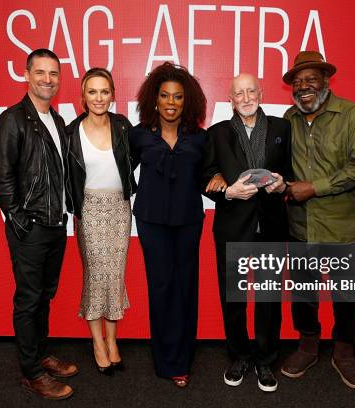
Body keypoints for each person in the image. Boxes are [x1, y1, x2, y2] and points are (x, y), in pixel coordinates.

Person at [280, 51, 355, 389]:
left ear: (325, 82)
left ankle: (345, 350)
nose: (304, 87)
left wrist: (314, 188)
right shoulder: (288, 119)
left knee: (346, 294)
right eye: (297, 81)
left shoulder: (350, 114)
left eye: (311, 79)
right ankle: (307, 346)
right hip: (301, 225)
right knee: (304, 291)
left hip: (344, 224)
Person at [0, 48, 77, 400]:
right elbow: (1, 176)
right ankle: (31, 373)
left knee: (45, 295)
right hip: (30, 228)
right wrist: (19, 218)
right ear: (26, 75)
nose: (47, 79)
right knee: (28, 300)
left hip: (56, 225)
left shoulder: (56, 121)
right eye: (40, 72)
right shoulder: (12, 120)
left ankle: (41, 355)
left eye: (53, 73)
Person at [129, 62, 221, 388]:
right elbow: (121, 171)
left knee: (185, 287)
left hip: (187, 221)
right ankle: (165, 361)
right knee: (161, 288)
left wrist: (218, 178)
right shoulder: (138, 134)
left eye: (177, 97)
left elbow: (207, 175)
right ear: (155, 99)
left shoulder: (200, 138)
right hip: (151, 221)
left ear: (187, 101)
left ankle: (182, 359)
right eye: (165, 96)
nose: (171, 102)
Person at [203, 73, 291, 392]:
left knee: (268, 296)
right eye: (238, 92)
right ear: (230, 98)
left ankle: (266, 361)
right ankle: (239, 355)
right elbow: (207, 177)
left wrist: (283, 184)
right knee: (234, 298)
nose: (245, 97)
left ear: (261, 93)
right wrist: (227, 193)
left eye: (251, 90)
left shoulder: (282, 128)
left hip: (270, 224)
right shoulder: (216, 133)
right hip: (232, 226)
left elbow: (291, 174)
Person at [66, 68, 134, 375]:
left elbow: (134, 160)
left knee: (115, 275)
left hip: (120, 208)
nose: (98, 97)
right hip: (90, 208)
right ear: (83, 96)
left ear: (113, 94)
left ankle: (112, 341)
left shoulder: (122, 126)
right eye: (92, 91)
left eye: (104, 91)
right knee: (95, 275)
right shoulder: (71, 132)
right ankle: (97, 343)